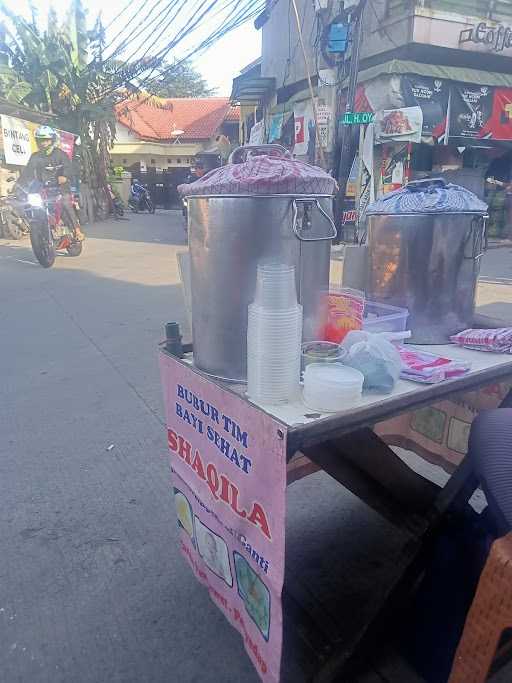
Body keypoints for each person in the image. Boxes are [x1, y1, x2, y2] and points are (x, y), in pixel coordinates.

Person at [19, 126, 84, 241]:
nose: (43, 143)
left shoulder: (60, 154)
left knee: (65, 203)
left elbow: (69, 168)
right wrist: (17, 189)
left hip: (60, 187)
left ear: (52, 140)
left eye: (46, 140)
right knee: (29, 205)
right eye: (40, 140)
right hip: (42, 188)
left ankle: (77, 230)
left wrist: (64, 176)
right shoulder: (35, 157)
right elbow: (26, 174)